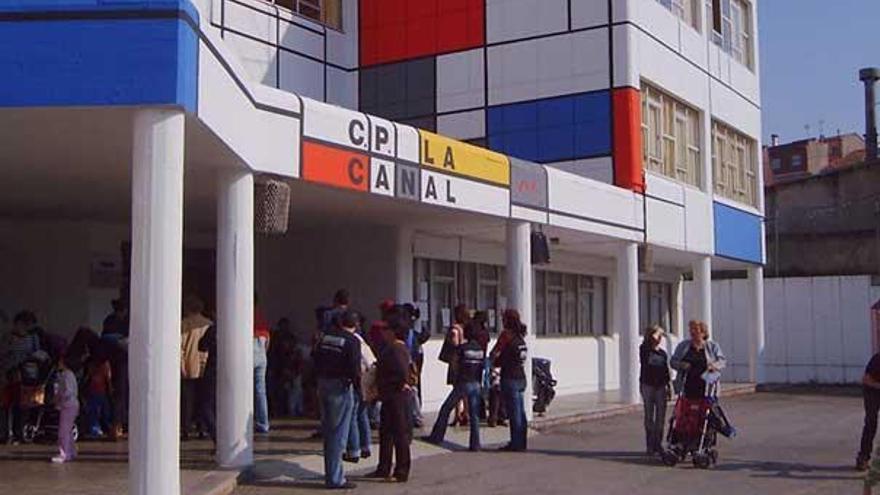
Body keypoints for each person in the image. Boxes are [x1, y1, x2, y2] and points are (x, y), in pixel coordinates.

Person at [312, 309, 361, 490]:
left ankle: (331, 473)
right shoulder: (352, 341)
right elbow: (354, 369)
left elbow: (314, 358)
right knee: (338, 434)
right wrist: (360, 391)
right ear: (355, 325)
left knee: (328, 432)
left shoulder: (325, 337)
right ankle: (335, 479)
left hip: (322, 384)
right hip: (340, 388)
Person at [424, 313, 485, 451]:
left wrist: (456, 379)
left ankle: (437, 436)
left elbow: (455, 365)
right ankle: (475, 444)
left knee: (446, 409)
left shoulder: (462, 349)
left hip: (463, 382)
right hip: (476, 382)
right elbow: (481, 367)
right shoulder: (480, 350)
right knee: (474, 415)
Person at [367, 307, 413, 482]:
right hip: (387, 395)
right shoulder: (390, 347)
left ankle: (401, 470)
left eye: (386, 329)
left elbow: (402, 372)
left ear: (394, 331)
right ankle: (383, 467)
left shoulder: (397, 349)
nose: (383, 332)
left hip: (396, 396)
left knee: (400, 433)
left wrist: (398, 383)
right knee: (385, 432)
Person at [344, 311, 376, 463]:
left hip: (357, 380)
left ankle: (354, 450)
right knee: (361, 414)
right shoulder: (360, 339)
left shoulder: (351, 340)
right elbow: (372, 362)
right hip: (365, 379)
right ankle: (365, 446)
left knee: (352, 415)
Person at [495, 309, 528, 452]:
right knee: (521, 412)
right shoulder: (520, 336)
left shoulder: (506, 335)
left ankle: (515, 443)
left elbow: (496, 352)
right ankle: (522, 442)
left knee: (514, 413)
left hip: (510, 377)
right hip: (521, 377)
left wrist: (492, 361)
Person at [180, 295, 211, 441]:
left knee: (187, 400)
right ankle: (202, 428)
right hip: (205, 366)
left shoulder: (184, 324)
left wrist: (181, 366)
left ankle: (185, 429)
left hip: (188, 365)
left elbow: (180, 348)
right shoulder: (208, 324)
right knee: (203, 399)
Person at [671, 321, 726, 401]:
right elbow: (673, 362)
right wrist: (681, 365)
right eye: (691, 329)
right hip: (687, 386)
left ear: (703, 333)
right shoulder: (683, 346)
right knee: (687, 412)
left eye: (696, 330)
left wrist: (714, 365)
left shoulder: (712, 346)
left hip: (707, 387)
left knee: (707, 412)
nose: (692, 332)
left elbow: (722, 361)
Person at [639, 325, 671, 456]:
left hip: (660, 387)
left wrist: (669, 386)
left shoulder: (662, 354)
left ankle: (658, 443)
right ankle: (650, 445)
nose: (659, 338)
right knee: (649, 416)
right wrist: (653, 335)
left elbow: (666, 371)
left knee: (660, 417)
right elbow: (645, 355)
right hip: (648, 385)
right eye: (658, 335)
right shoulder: (645, 350)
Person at [52, 354, 79, 464]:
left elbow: (68, 391)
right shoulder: (67, 375)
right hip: (70, 404)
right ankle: (71, 451)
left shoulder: (66, 375)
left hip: (68, 404)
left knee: (63, 431)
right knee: (67, 429)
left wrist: (59, 397)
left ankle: (64, 453)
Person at [857, 349, 880, 470]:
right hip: (872, 390)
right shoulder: (877, 359)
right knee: (871, 422)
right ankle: (863, 457)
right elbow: (866, 379)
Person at [85, 348, 113, 438]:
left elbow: (107, 378)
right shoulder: (103, 365)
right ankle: (101, 428)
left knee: (98, 410)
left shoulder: (95, 364)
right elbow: (108, 378)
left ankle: (97, 428)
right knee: (100, 410)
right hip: (98, 390)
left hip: (97, 390)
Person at [254, 298, 271, 434]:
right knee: (260, 390)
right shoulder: (260, 315)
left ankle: (241, 421)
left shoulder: (244, 311)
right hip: (262, 347)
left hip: (251, 343)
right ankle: (263, 422)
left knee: (242, 388)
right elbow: (267, 338)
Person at [197, 325, 217, 442]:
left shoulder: (213, 329)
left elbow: (202, 346)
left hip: (213, 370)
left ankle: (216, 436)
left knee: (206, 406)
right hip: (230, 371)